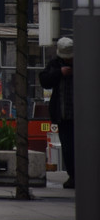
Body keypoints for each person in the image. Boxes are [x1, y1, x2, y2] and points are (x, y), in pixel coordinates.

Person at [39, 36, 74, 189]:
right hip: (63, 115)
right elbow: (44, 80)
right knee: (67, 147)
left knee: (78, 147)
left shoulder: (83, 63)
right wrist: (60, 73)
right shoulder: (55, 65)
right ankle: (73, 175)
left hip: (79, 116)